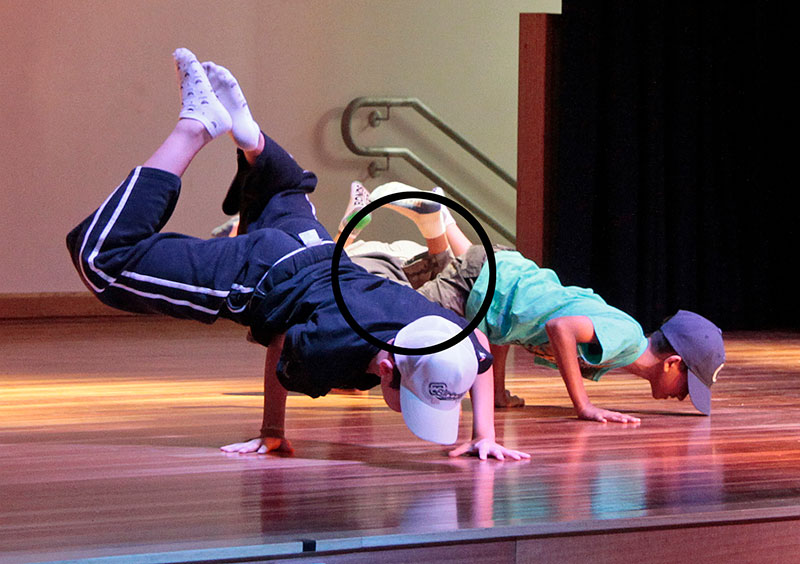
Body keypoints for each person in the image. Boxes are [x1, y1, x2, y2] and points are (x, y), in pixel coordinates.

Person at [66, 48, 529, 461]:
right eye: (412, 397)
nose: (418, 407)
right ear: (387, 368)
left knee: (285, 190)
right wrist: (272, 430)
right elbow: (281, 343)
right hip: (263, 271)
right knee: (102, 260)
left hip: (315, 243)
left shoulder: (437, 330)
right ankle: (195, 127)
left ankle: (251, 137)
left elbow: (479, 348)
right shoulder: (335, 349)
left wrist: (484, 434)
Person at [331, 181, 726, 422]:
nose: (683, 396)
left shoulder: (619, 346)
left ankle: (437, 223)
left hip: (496, 279)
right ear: (672, 362)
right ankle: (340, 246)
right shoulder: (625, 338)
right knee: (388, 317)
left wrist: (497, 391)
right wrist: (583, 405)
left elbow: (507, 326)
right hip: (483, 284)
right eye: (687, 384)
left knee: (416, 298)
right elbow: (560, 328)